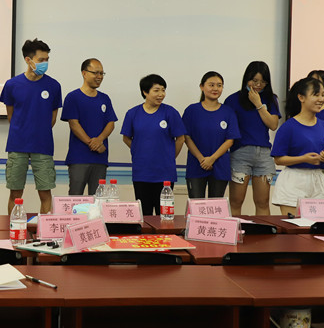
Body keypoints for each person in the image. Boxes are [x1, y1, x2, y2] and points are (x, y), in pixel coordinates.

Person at [0, 38, 62, 214]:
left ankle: (44, 228)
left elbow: (52, 118)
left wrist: (38, 132)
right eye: (41, 60)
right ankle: (14, 227)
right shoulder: (12, 85)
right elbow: (11, 116)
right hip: (17, 146)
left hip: (43, 146)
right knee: (15, 193)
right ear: (28, 60)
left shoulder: (53, 86)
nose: (45, 63)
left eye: (47, 59)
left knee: (45, 193)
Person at [120, 74, 186, 215]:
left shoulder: (170, 112)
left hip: (165, 173)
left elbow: (180, 139)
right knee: (144, 215)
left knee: (164, 215)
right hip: (141, 173)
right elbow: (126, 138)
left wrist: (169, 156)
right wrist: (140, 150)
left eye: (163, 90)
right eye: (156, 90)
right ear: (145, 92)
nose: (161, 94)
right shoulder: (133, 113)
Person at [270, 77, 324, 213]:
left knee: (321, 223)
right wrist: (303, 159)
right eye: (316, 95)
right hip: (294, 181)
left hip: (319, 180)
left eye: (323, 95)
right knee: (292, 224)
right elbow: (278, 159)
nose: (321, 99)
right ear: (301, 97)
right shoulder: (289, 127)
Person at [224, 61, 280, 216]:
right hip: (240, 153)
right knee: (236, 201)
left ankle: (264, 230)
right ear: (247, 79)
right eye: (254, 81)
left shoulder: (270, 99)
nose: (258, 85)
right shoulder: (233, 100)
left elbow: (273, 125)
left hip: (264, 155)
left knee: (262, 201)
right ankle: (236, 229)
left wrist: (258, 104)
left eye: (263, 81)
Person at [61, 58, 118, 195]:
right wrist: (92, 143)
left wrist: (100, 140)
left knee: (98, 199)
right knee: (75, 198)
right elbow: (74, 124)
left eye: (102, 73)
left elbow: (111, 123)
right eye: (95, 73)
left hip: (100, 158)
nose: (99, 77)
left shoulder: (105, 98)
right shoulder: (73, 97)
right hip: (79, 158)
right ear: (84, 73)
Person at [183, 71, 241, 200]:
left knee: (216, 206)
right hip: (196, 165)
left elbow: (230, 140)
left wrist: (212, 159)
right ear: (202, 87)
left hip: (219, 165)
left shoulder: (228, 112)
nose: (215, 88)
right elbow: (186, 137)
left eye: (219, 85)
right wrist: (201, 159)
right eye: (211, 85)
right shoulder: (192, 110)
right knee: (196, 206)